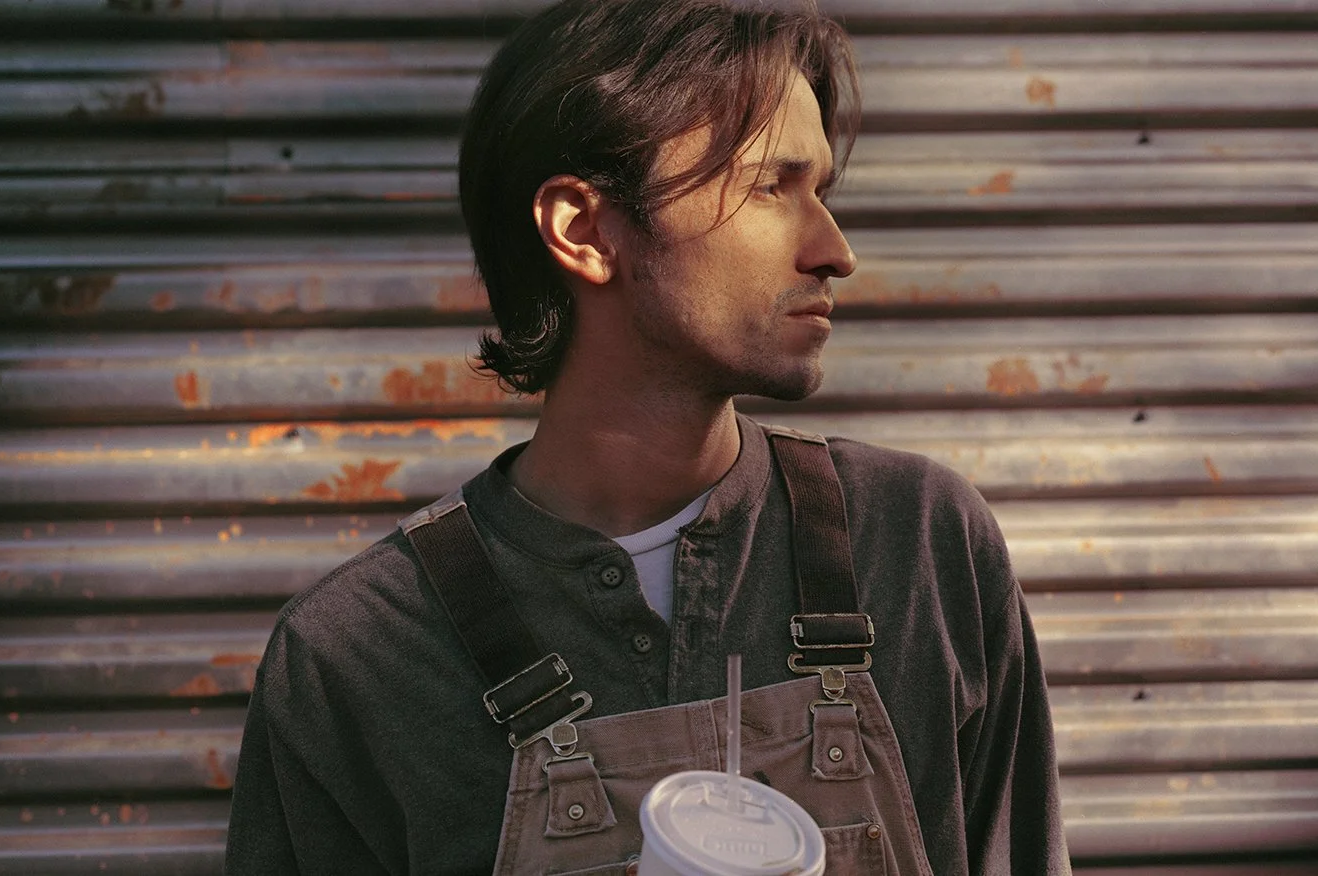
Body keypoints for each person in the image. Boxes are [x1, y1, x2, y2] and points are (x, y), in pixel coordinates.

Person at [224, 0, 1070, 873]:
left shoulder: (920, 543)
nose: (833, 249)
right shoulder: (355, 656)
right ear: (584, 231)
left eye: (821, 190)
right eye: (769, 186)